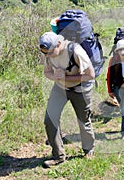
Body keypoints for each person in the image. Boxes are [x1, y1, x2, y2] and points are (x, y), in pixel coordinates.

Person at [39, 32, 96, 168]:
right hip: (60, 88)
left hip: (80, 90)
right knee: (49, 119)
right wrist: (55, 77)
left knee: (83, 120)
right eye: (46, 53)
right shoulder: (46, 51)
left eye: (51, 52)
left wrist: (65, 77)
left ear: (59, 44)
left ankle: (89, 149)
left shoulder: (75, 51)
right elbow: (47, 71)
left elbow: (90, 75)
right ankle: (58, 156)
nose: (48, 56)